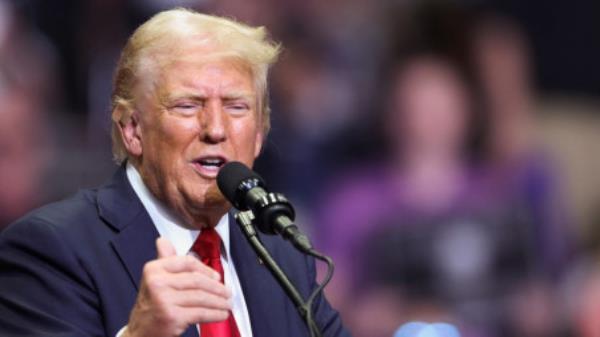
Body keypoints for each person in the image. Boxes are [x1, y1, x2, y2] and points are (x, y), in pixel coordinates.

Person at [0, 8, 350, 337]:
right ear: (133, 129)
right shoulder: (51, 250)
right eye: (188, 105)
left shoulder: (281, 256)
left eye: (236, 107)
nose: (216, 128)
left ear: (260, 134)